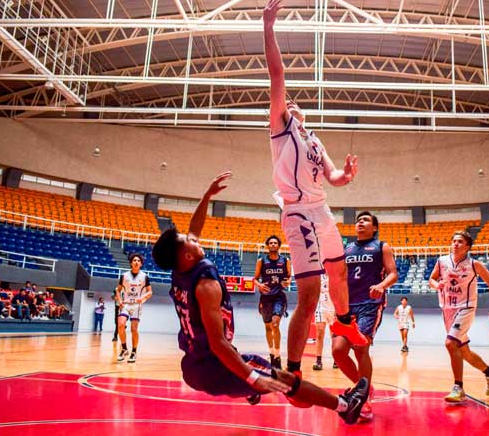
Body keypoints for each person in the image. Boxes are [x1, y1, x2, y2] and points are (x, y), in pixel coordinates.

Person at [151, 172, 369, 425]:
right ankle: (346, 406)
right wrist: (253, 379)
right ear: (186, 255)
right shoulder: (205, 285)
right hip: (215, 368)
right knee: (288, 381)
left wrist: (207, 197)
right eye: (187, 242)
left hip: (192, 366)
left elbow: (194, 230)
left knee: (258, 364)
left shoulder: (180, 273)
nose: (192, 239)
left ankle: (253, 390)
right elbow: (218, 344)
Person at [263, 0, 367, 391]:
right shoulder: (280, 127)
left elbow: (333, 176)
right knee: (308, 293)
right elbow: (277, 74)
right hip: (296, 212)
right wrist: (268, 28)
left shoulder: (313, 139)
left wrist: (348, 175)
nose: (288, 101)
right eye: (285, 100)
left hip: (321, 208)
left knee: (337, 270)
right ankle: (291, 369)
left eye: (292, 101)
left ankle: (344, 323)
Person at [332, 211, 398, 422]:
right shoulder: (347, 249)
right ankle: (366, 389)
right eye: (359, 220)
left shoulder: (381, 246)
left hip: (370, 304)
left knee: (361, 348)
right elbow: (339, 277)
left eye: (366, 220)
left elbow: (393, 273)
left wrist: (381, 286)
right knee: (338, 351)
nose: (360, 222)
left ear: (375, 227)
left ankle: (363, 400)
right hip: (346, 306)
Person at [429, 230, 489, 403]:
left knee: (450, 343)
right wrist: (436, 285)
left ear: (467, 246)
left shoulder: (474, 264)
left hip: (465, 308)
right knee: (464, 351)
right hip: (447, 310)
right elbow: (431, 279)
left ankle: (458, 388)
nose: (455, 244)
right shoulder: (442, 261)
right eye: (453, 241)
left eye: (460, 241)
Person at [254, 235, 291, 369]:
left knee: (275, 324)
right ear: (268, 246)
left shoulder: (285, 260)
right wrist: (259, 285)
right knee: (268, 327)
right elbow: (255, 278)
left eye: (275, 243)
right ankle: (271, 353)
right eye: (271, 243)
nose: (273, 244)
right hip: (265, 297)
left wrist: (287, 282)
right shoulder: (261, 261)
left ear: (279, 245)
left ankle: (277, 354)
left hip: (279, 296)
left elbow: (288, 277)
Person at [116, 252, 152, 363]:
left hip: (137, 305)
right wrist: (120, 301)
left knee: (134, 329)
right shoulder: (124, 276)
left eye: (138, 261)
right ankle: (124, 348)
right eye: (134, 260)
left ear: (141, 264)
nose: (136, 262)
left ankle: (134, 351)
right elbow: (118, 290)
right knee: (121, 325)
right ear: (131, 263)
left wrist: (143, 298)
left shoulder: (145, 277)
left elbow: (150, 292)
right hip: (126, 304)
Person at [312, 273, 335, 371]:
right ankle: (318, 360)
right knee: (319, 333)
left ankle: (336, 360)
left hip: (334, 307)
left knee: (334, 335)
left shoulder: (336, 273)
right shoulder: (317, 274)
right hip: (321, 307)